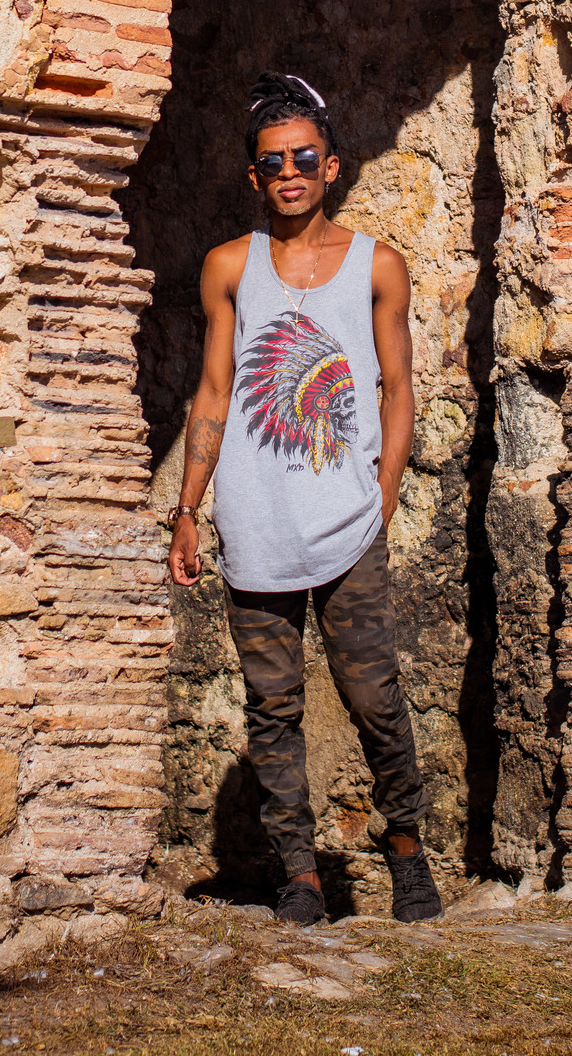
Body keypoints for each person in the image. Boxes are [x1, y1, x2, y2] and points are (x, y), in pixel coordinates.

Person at [166, 71, 443, 927]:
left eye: (304, 157)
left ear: (331, 166)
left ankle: (404, 847)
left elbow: (399, 388)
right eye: (272, 161)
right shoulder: (227, 266)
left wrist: (383, 493)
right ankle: (300, 876)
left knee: (374, 695)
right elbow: (213, 390)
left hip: (349, 518)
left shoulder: (376, 265)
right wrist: (188, 506)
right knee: (272, 707)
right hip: (253, 518)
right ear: (256, 176)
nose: (289, 171)